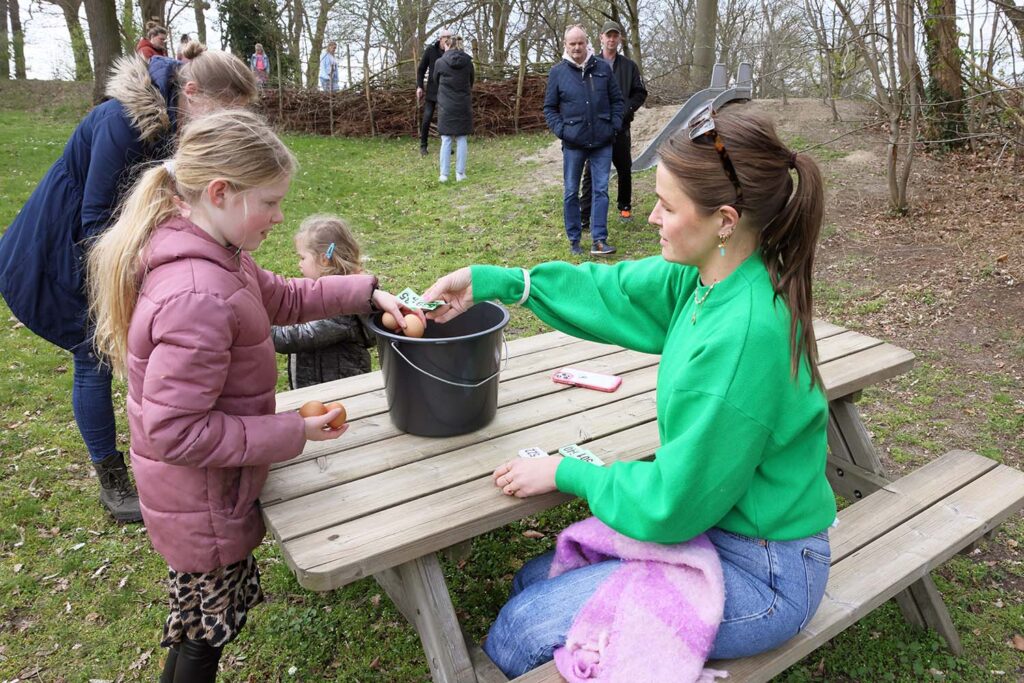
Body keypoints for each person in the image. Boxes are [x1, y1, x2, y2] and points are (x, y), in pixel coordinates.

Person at [423, 107, 834, 678]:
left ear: (724, 219)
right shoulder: (709, 276)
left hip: (764, 572)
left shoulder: (743, 336)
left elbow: (673, 503)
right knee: (532, 581)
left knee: (522, 632)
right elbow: (615, 290)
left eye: (668, 206)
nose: (651, 215)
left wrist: (570, 472)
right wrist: (500, 281)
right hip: (716, 524)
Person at [85, 110, 418, 683]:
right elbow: (175, 433)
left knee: (201, 625)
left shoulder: (218, 252)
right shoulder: (198, 294)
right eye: (269, 201)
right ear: (220, 192)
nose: (280, 215)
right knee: (205, 634)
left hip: (210, 490)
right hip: (205, 500)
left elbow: (285, 297)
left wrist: (369, 293)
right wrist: (295, 430)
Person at [0, 44, 259, 523]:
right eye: (223, 114)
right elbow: (97, 217)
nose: (225, 127)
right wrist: (146, 276)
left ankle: (157, 453)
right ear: (192, 91)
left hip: (124, 239)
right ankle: (110, 475)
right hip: (66, 245)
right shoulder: (124, 121)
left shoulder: (182, 121)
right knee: (93, 354)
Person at [544, 25, 623, 258]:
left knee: (601, 190)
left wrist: (613, 125)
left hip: (602, 141)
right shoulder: (558, 73)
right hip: (573, 143)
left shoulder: (602, 69)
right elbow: (549, 108)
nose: (577, 47)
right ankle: (574, 238)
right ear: (565, 45)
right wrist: (562, 130)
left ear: (587, 43)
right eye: (572, 44)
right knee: (570, 191)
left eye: (580, 43)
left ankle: (599, 240)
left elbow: (617, 101)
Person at [271, 215, 375, 388]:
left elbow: (291, 338)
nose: (299, 264)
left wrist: (258, 322)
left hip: (340, 393)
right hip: (318, 388)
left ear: (323, 259)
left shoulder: (342, 308)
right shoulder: (327, 295)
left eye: (302, 258)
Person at [581, 20, 648, 229]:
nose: (611, 39)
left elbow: (640, 92)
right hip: (597, 128)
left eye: (615, 36)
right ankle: (585, 215)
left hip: (621, 126)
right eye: (607, 35)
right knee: (591, 170)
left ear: (619, 39)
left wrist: (626, 109)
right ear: (601, 38)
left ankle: (624, 206)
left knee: (624, 167)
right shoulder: (590, 64)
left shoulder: (629, 66)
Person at [432, 35, 474, 182]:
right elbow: (471, 81)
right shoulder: (468, 63)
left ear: (448, 46)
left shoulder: (440, 62)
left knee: (446, 138)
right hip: (463, 104)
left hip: (446, 105)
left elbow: (435, 80)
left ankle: (444, 175)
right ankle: (460, 174)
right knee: (462, 138)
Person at [415, 29, 452, 157]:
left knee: (445, 119)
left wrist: (448, 54)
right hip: (432, 90)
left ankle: (446, 146)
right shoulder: (431, 50)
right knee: (427, 117)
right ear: (440, 38)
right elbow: (421, 69)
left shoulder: (452, 52)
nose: (447, 39)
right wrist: (419, 86)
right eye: (445, 37)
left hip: (446, 91)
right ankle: (423, 145)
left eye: (449, 37)